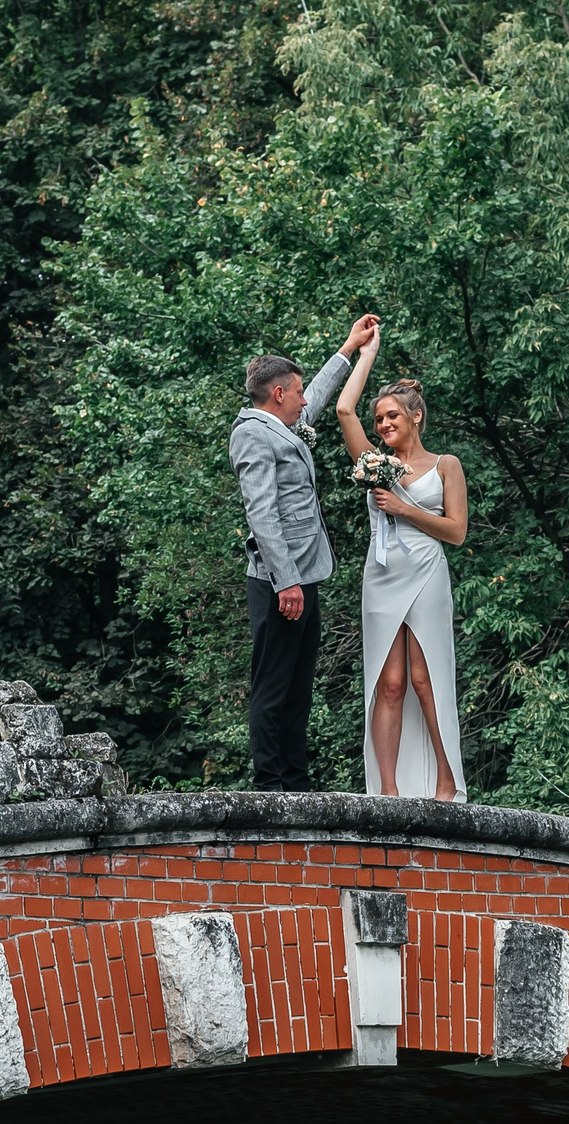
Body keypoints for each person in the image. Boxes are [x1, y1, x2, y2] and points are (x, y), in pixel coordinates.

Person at [229, 314, 381, 791]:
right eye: (295, 392)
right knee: (274, 686)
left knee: (299, 687)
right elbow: (262, 512)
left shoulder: (281, 424)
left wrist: (349, 348)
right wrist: (286, 580)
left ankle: (295, 780)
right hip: (280, 582)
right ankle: (270, 786)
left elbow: (314, 395)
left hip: (304, 577)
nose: (303, 399)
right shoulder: (251, 433)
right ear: (278, 394)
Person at [334, 328, 468, 799]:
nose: (383, 423)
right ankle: (386, 793)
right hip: (383, 574)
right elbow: (343, 410)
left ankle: (446, 782)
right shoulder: (374, 463)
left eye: (392, 415)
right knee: (388, 683)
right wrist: (364, 353)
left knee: (423, 676)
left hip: (427, 569)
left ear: (415, 416)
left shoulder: (446, 464)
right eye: (380, 418)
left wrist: (407, 509)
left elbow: (456, 531)